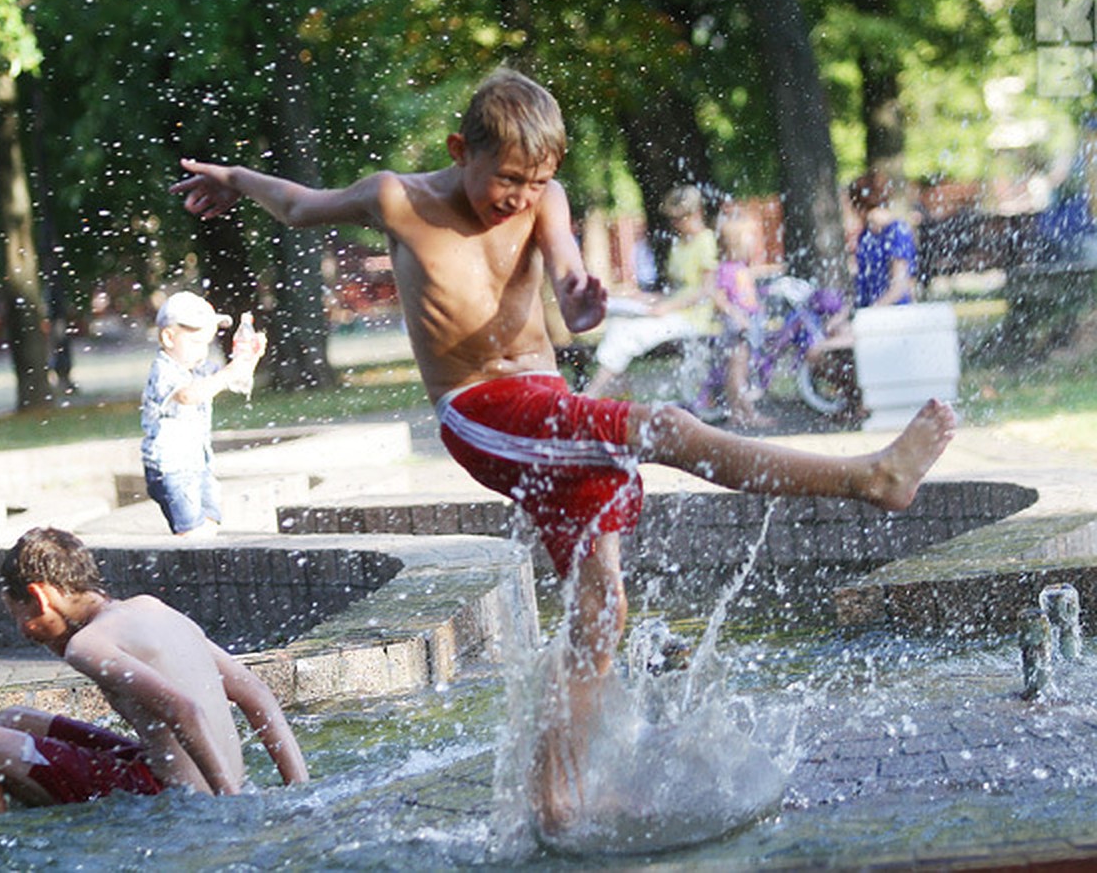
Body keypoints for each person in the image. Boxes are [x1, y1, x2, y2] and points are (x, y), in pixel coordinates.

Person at [169, 66, 955, 838]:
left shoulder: (543, 200)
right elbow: (302, 205)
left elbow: (575, 287)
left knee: (599, 606)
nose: (517, 196)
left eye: (535, 179)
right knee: (669, 428)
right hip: (480, 410)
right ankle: (872, 477)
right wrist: (236, 179)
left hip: (551, 414)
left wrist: (580, 297)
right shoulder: (398, 200)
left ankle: (558, 803)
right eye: (505, 178)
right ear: (459, 148)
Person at [0, 527, 308, 818]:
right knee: (9, 719)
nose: (23, 630)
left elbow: (183, 709)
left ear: (40, 596)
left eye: (19, 614)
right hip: (204, 780)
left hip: (173, 795)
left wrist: (230, 805)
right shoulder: (152, 609)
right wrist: (300, 793)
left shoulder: (87, 645)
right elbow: (256, 693)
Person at [140, 291, 266, 536]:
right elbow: (187, 396)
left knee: (210, 522)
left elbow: (233, 380)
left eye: (206, 344)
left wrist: (249, 359)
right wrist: (228, 373)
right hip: (170, 469)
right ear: (168, 338)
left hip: (198, 464)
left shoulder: (198, 367)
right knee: (191, 533)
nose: (202, 352)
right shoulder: (164, 370)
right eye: (196, 343)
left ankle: (201, 560)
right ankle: (187, 565)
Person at [582, 185, 718, 400]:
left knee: (628, 334)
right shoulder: (680, 244)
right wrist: (648, 299)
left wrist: (667, 307)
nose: (675, 224)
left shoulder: (706, 240)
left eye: (680, 218)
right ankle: (617, 393)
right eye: (673, 219)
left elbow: (706, 290)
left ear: (696, 213)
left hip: (691, 317)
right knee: (617, 321)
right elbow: (678, 289)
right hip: (673, 311)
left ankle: (593, 393)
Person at [808, 171, 918, 420]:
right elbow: (861, 289)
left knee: (818, 351)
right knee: (828, 340)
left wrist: (866, 316)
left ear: (858, 202)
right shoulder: (866, 235)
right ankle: (857, 402)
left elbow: (899, 286)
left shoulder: (897, 230)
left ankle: (861, 404)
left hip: (892, 317)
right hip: (872, 317)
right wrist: (843, 315)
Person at [707, 214, 784, 429]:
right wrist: (738, 316)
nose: (754, 245)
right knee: (737, 372)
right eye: (750, 240)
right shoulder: (726, 269)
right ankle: (749, 413)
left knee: (737, 371)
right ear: (736, 244)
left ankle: (736, 413)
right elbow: (718, 298)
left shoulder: (739, 267)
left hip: (745, 323)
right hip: (737, 327)